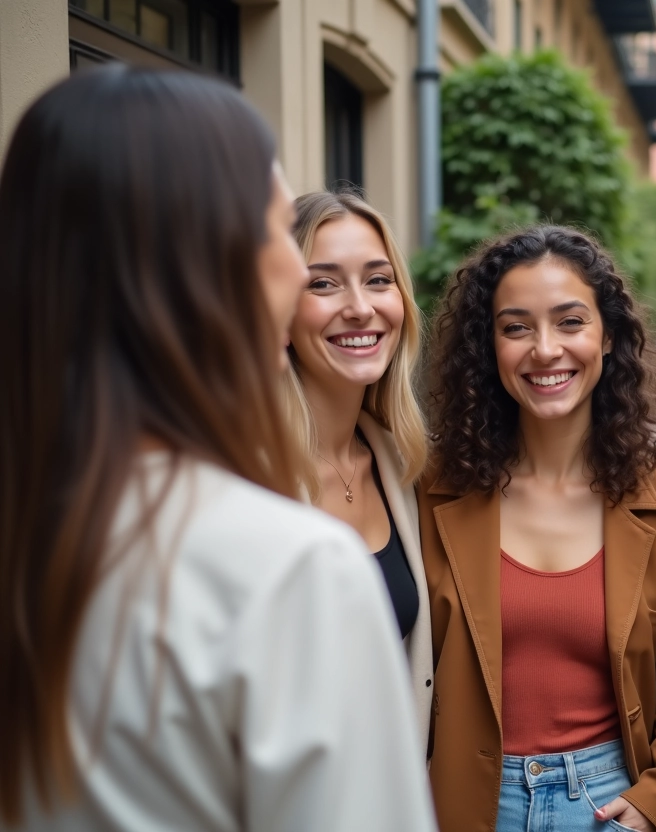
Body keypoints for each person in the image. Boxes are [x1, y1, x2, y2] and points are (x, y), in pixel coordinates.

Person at [0, 67, 435, 831]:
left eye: (376, 277)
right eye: (275, 228)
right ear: (201, 265)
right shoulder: (291, 570)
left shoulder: (36, 522)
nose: (300, 271)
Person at [419, 225, 656, 832]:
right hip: (462, 803)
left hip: (608, 805)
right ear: (487, 347)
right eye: (516, 327)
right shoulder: (427, 494)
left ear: (608, 338)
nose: (545, 349)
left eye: (571, 322)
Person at [283, 189, 432, 736]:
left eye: (378, 279)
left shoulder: (406, 466)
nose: (361, 307)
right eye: (322, 283)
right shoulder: (241, 477)